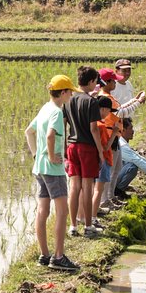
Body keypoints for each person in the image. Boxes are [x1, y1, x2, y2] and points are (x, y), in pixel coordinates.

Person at [24, 75, 80, 271]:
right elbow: (49, 135)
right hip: (53, 170)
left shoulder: (44, 109)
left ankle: (44, 254)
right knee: (62, 211)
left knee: (43, 210)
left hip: (39, 168)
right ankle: (58, 257)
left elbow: (28, 132)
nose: (72, 94)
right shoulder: (56, 112)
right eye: (70, 91)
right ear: (63, 92)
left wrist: (36, 155)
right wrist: (51, 155)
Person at [63, 66, 106, 237]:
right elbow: (94, 129)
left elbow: (64, 124)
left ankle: (73, 226)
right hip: (87, 147)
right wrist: (101, 152)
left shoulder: (69, 101)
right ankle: (88, 226)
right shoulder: (91, 102)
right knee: (87, 186)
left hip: (72, 146)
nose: (96, 84)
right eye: (95, 81)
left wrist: (64, 146)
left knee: (74, 186)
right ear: (90, 82)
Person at [97, 68, 146, 208]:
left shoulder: (109, 96)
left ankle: (110, 197)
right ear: (106, 82)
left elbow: (119, 110)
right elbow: (122, 114)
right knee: (109, 171)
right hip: (109, 136)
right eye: (114, 81)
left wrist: (134, 100)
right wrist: (139, 102)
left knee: (116, 168)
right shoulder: (104, 97)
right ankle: (104, 201)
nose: (116, 83)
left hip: (115, 136)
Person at [91, 96, 119, 228]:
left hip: (94, 160)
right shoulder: (101, 126)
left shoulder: (93, 123)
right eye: (109, 111)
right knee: (98, 190)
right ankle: (93, 217)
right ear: (103, 109)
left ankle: (90, 215)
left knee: (92, 189)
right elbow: (106, 147)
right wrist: (114, 132)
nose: (109, 114)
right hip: (104, 159)